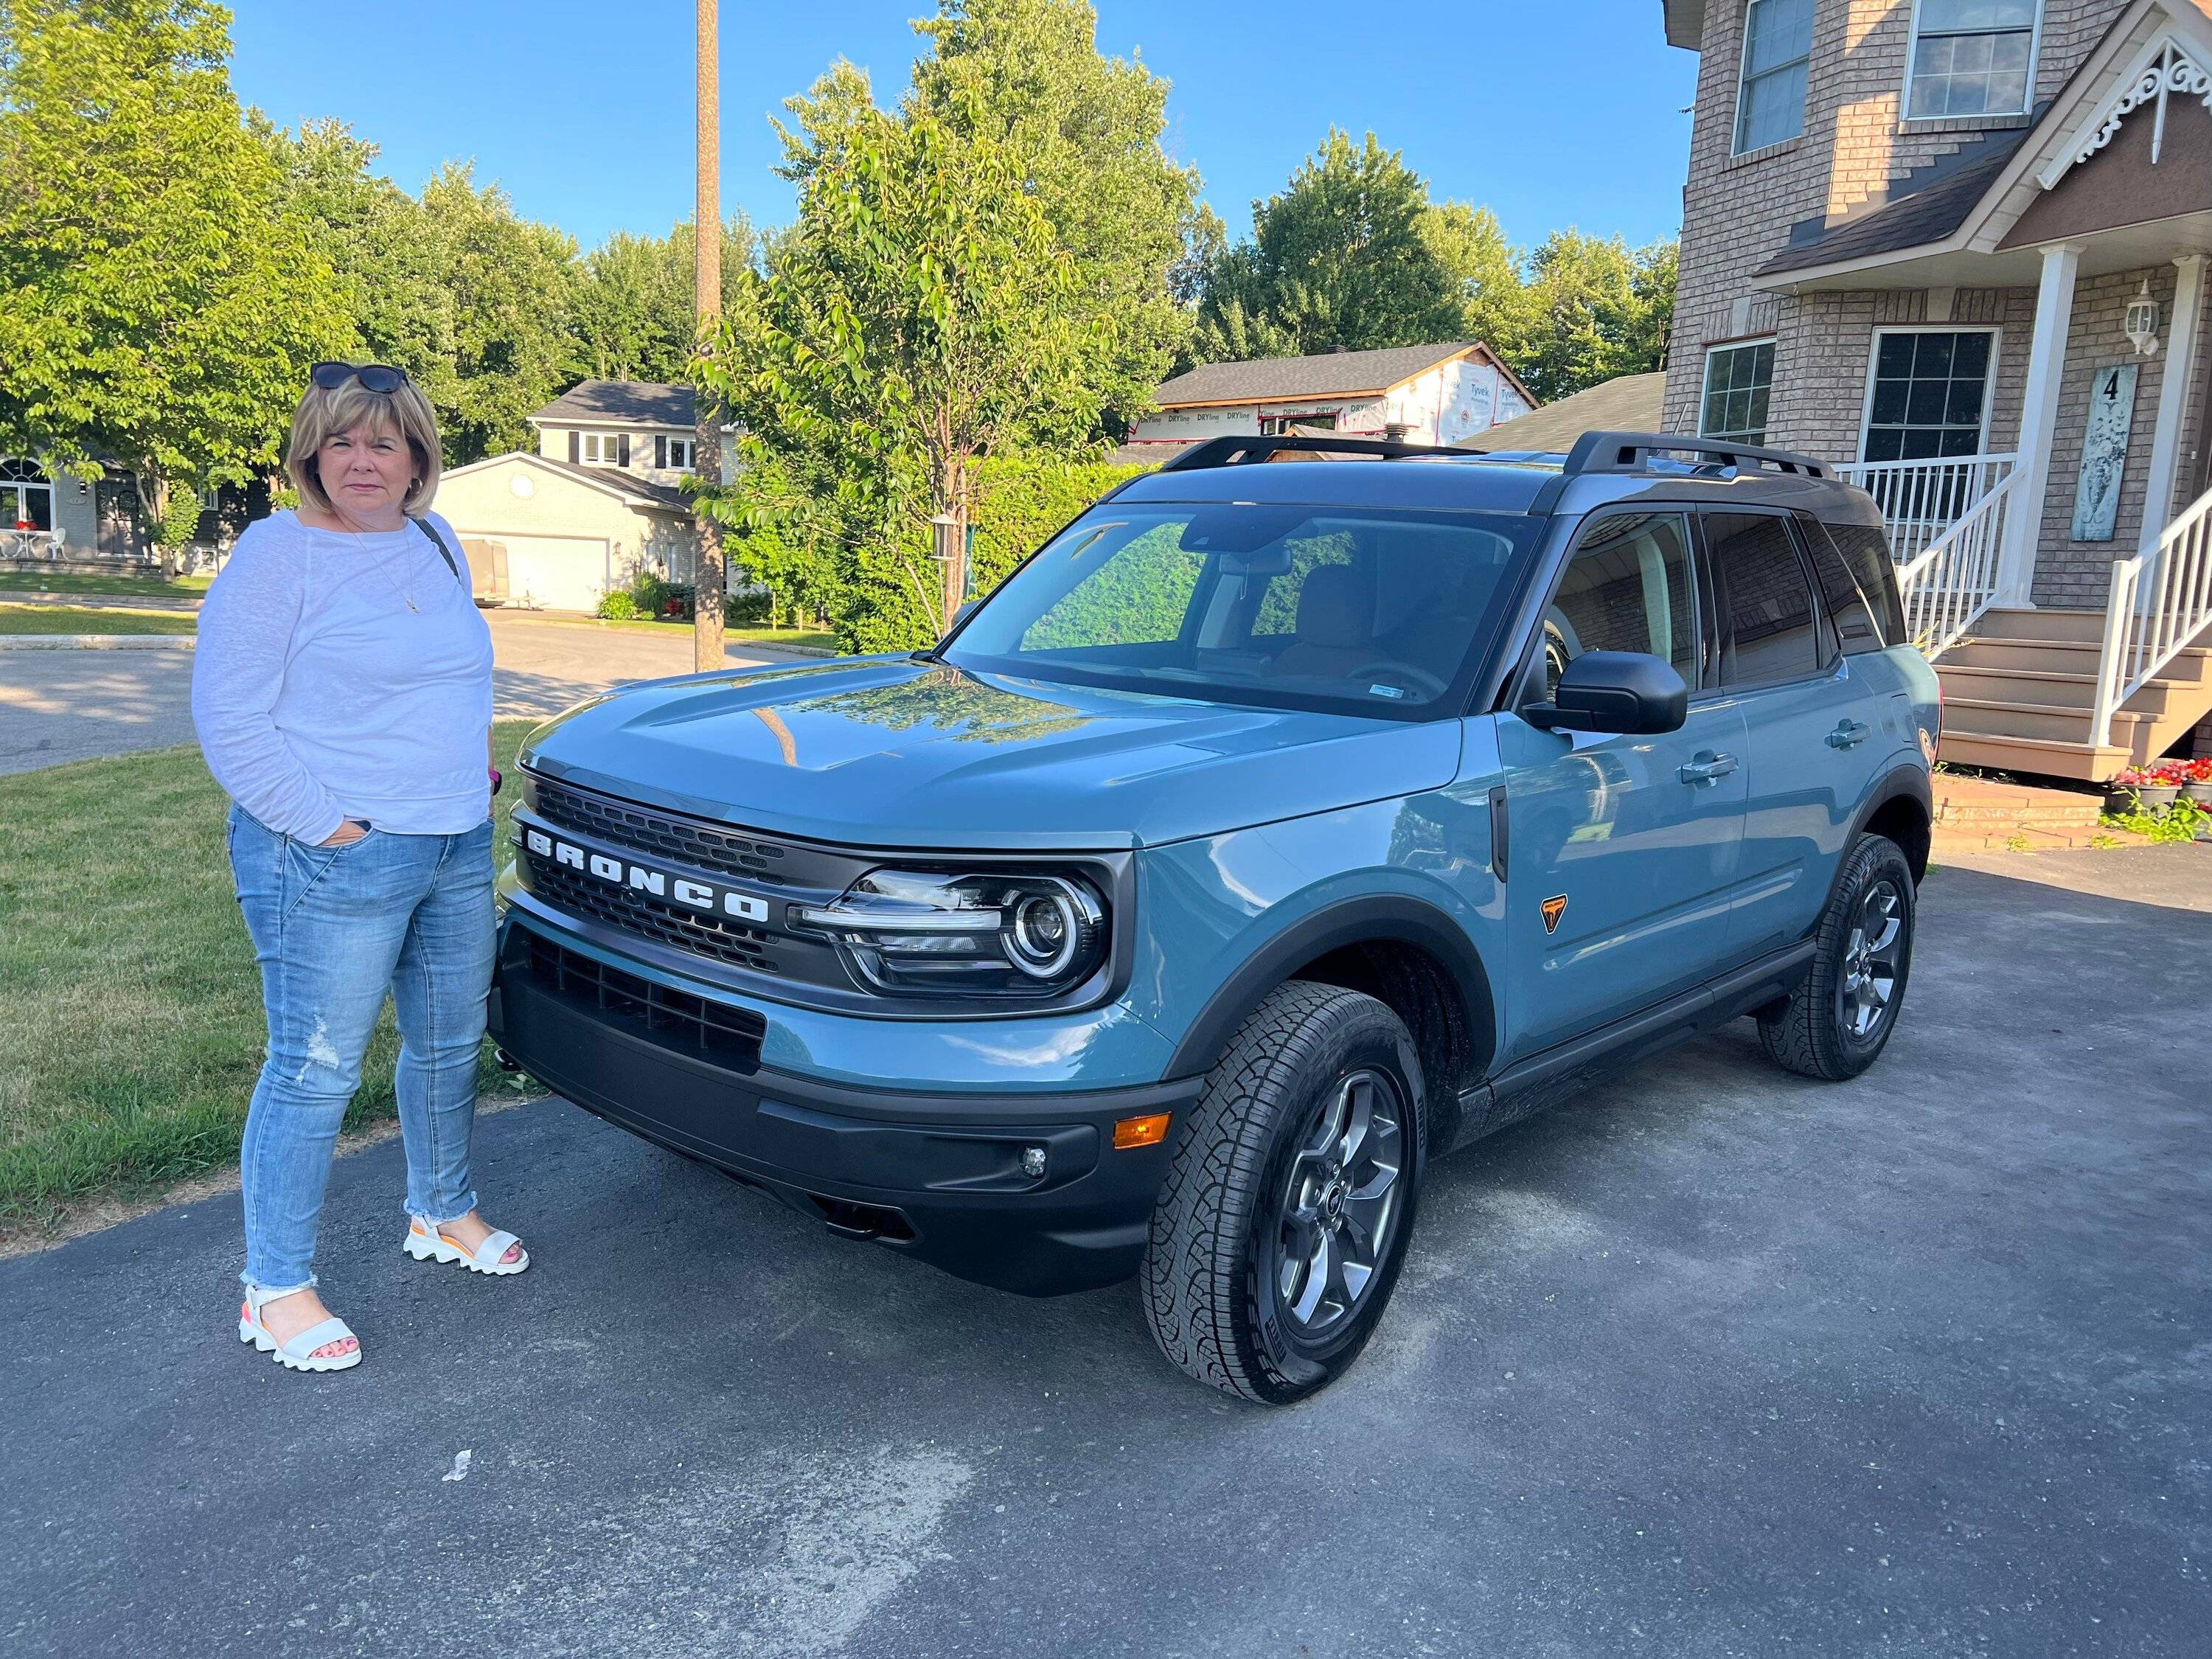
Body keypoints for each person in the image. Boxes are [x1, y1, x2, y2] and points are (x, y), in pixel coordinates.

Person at [192, 361, 526, 1375]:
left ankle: (442, 1209)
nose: (361, 460)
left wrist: (469, 773)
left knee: (448, 1042)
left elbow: (455, 677)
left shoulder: (436, 539)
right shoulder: (276, 554)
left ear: (418, 456)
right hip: (331, 853)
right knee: (315, 1067)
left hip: (454, 838)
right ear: (310, 454)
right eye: (339, 441)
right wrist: (329, 827)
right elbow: (230, 719)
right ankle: (275, 1286)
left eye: (383, 441)